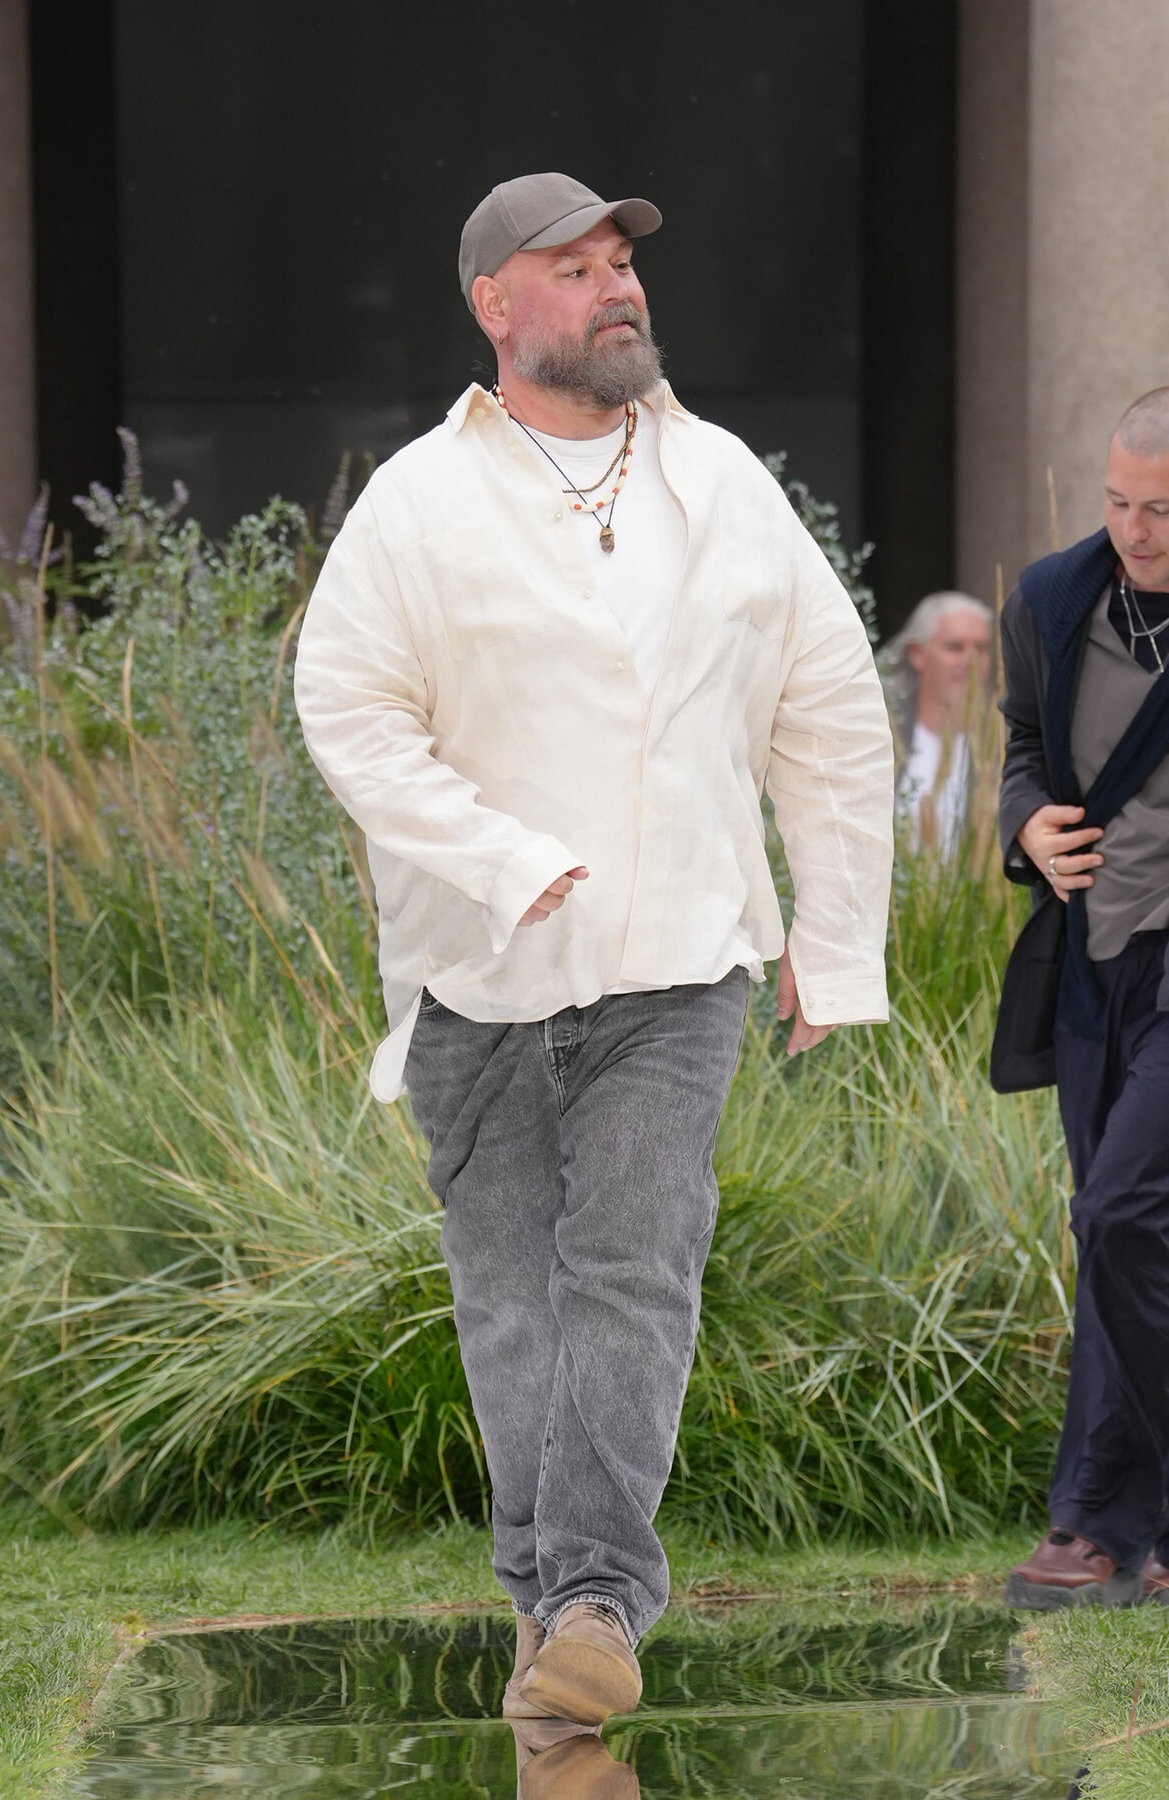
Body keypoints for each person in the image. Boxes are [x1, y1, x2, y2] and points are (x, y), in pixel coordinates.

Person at [293, 171, 895, 1725]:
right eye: (576, 267)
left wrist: (831, 949)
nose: (617, 286)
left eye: (623, 262)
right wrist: (502, 857)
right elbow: (348, 711)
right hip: (474, 973)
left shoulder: (726, 484)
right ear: (497, 304)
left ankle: (594, 1607)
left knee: (633, 1269)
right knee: (513, 1302)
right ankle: (546, 1605)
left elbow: (826, 714)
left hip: (680, 962)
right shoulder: (417, 504)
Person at [997, 386, 1169, 1610]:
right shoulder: (1055, 596)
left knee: (1119, 1215)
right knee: (1106, 1232)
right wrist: (1028, 829)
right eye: (1116, 503)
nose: (1134, 532)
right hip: (1090, 962)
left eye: (1160, 512)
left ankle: (1109, 1509)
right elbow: (1018, 746)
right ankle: (1103, 1520)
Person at [879, 591, 994, 856]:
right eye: (955, 647)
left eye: (981, 649)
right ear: (917, 654)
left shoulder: (1003, 748)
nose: (970, 661)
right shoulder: (881, 740)